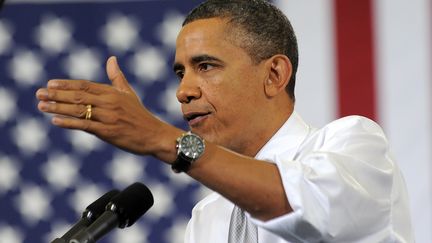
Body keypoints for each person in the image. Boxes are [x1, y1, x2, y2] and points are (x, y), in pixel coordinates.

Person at [35, 0, 414, 242]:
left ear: (274, 75)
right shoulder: (209, 215)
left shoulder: (354, 145)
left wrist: (162, 139)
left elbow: (296, 204)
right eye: (180, 73)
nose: (184, 91)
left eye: (205, 66)